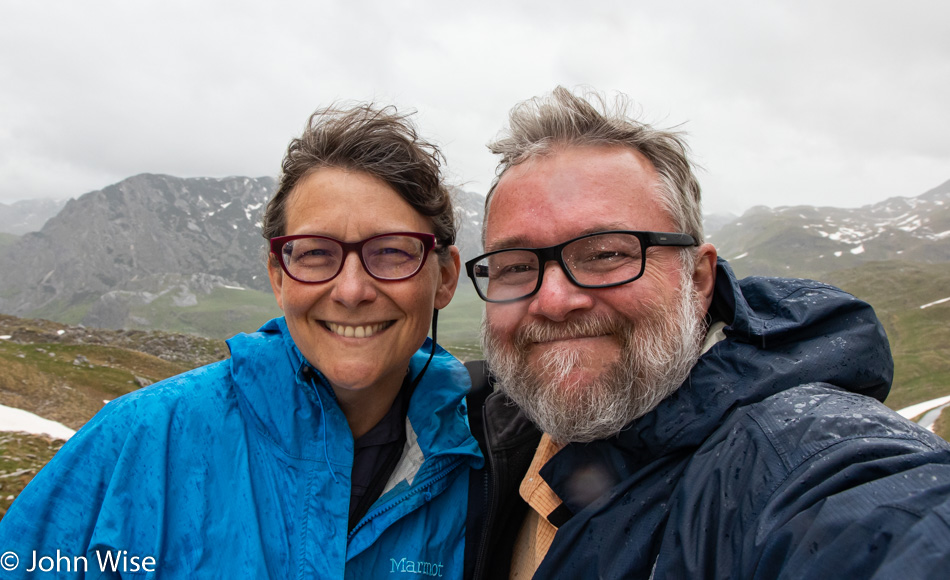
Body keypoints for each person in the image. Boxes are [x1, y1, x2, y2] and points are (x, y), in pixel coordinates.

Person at [463, 86, 950, 579]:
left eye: (607, 253)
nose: (552, 301)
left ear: (698, 279)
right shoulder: (490, 432)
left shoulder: (791, 456)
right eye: (516, 265)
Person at [0, 104, 483, 578]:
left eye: (392, 252)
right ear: (277, 276)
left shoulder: (484, 466)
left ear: (443, 277)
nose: (352, 290)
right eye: (316, 253)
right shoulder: (140, 439)